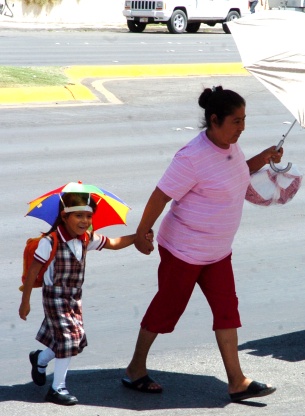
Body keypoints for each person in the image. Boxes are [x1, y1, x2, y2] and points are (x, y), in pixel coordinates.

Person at [122, 86, 283, 402]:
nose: (242, 127)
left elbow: (237, 171)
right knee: (167, 309)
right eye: (236, 121)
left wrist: (264, 157)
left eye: (244, 120)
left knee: (227, 311)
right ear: (214, 120)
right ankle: (135, 369)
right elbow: (160, 195)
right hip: (183, 251)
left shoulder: (230, 146)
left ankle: (237, 381)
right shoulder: (192, 157)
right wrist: (142, 232)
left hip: (217, 252)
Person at [19, 192, 153, 406]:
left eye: (89, 216)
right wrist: (25, 302)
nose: (85, 221)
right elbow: (33, 272)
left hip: (74, 297)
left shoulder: (86, 239)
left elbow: (113, 243)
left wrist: (138, 236)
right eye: (78, 215)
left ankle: (40, 359)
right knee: (67, 339)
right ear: (64, 216)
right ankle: (57, 388)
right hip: (55, 296)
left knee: (74, 340)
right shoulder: (50, 242)